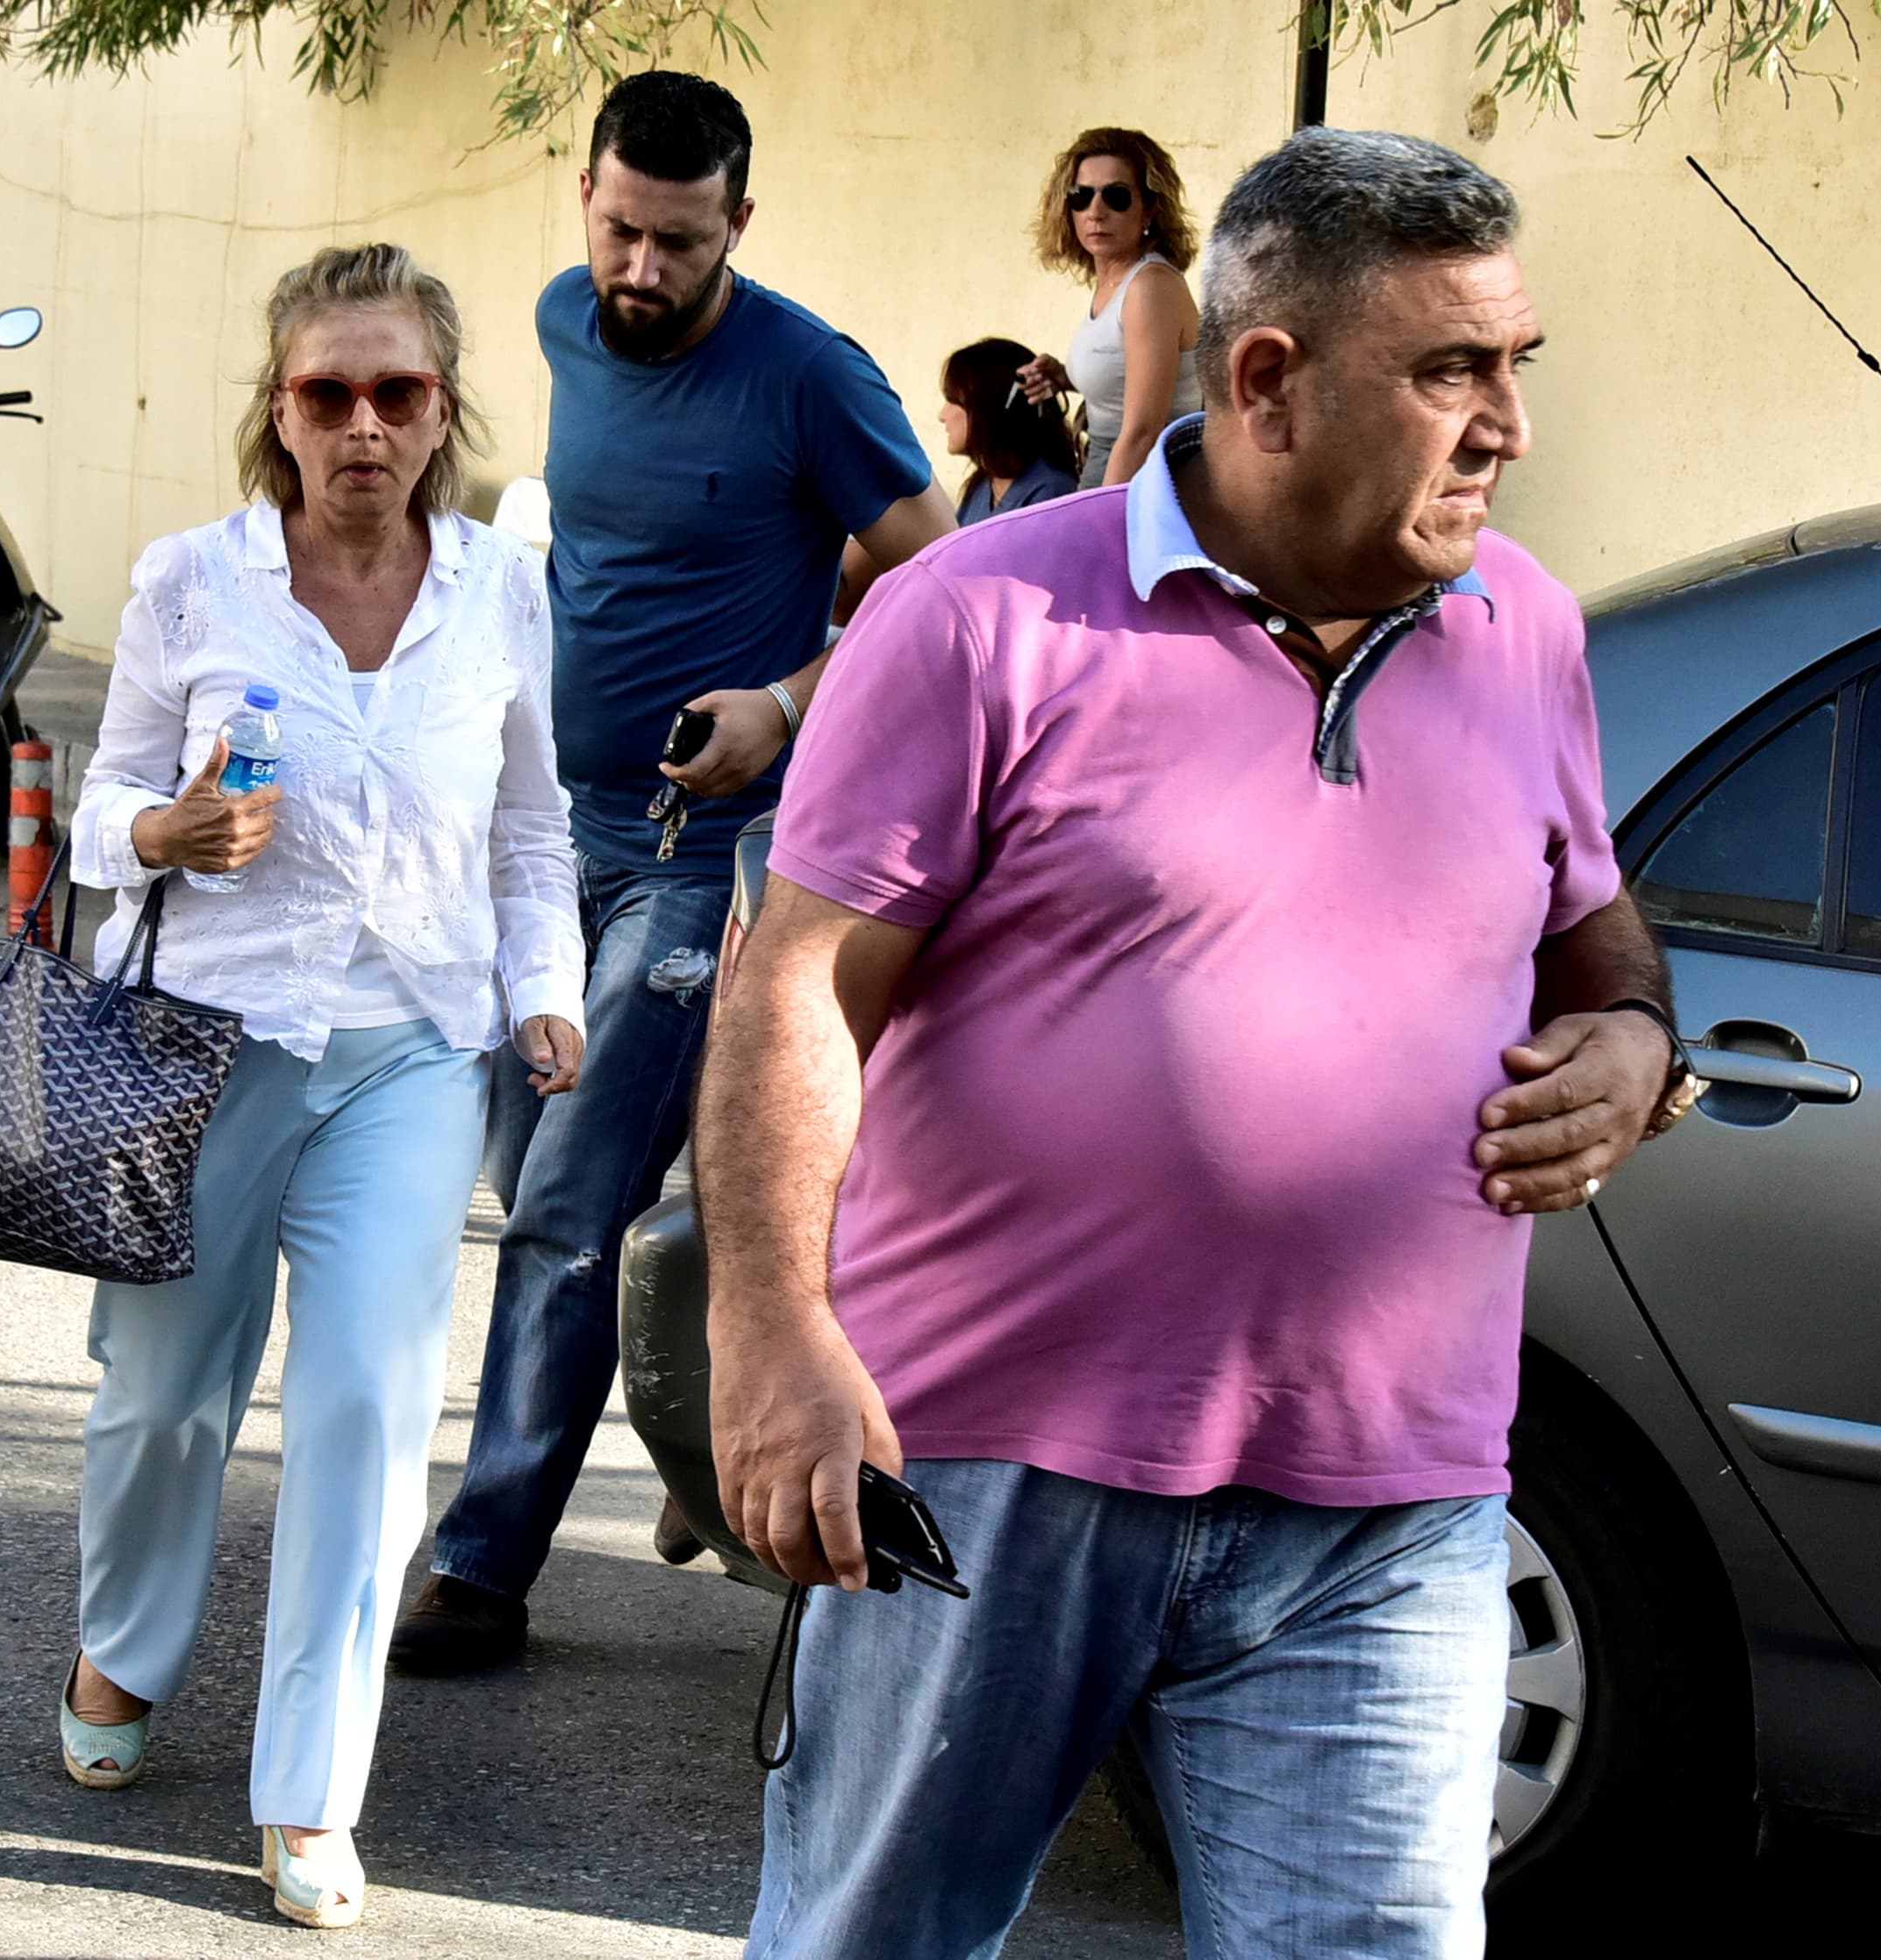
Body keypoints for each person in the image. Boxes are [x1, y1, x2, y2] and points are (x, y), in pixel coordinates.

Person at [701, 128, 1698, 1959]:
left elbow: (1590, 916)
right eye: (1452, 372)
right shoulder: (983, 615)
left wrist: (1635, 1036)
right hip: (988, 1463)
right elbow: (795, 987)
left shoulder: (1525, 631)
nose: (1507, 427)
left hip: (1389, 1496)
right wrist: (770, 1327)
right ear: (1266, 381)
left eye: (1513, 368)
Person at [391, 70, 955, 1677]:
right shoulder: (573, 321)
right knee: (524, 1180)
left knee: (567, 1203)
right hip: (537, 830)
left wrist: (786, 700)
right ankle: (709, 1430)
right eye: (622, 232)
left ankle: (485, 1564)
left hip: (694, 856)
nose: (641, 273)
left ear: (740, 228)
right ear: (585, 198)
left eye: (680, 246)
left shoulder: (807, 374)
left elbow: (941, 584)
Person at [55, 244, 585, 1932]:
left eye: (399, 392)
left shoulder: (501, 586)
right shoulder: (195, 581)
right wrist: (161, 830)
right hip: (205, 1044)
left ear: (443, 410)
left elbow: (534, 825)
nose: (363, 423)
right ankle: (125, 1646)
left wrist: (546, 991)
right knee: (164, 1397)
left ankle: (310, 1786)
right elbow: (101, 800)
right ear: (277, 410)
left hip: (414, 1053)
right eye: (326, 392)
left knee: (363, 1409)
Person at [1019, 126, 1203, 490]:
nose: (1096, 211)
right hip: (1112, 468)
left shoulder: (1150, 287)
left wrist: (1102, 518)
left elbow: (1142, 432)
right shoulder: (1115, 283)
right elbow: (1129, 379)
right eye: (1081, 196)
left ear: (1150, 208)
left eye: (1116, 197)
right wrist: (1066, 376)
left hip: (1148, 480)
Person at [942, 339, 1077, 526]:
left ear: (988, 409)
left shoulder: (1050, 493)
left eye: (953, 401)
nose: (942, 415)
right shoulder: (982, 486)